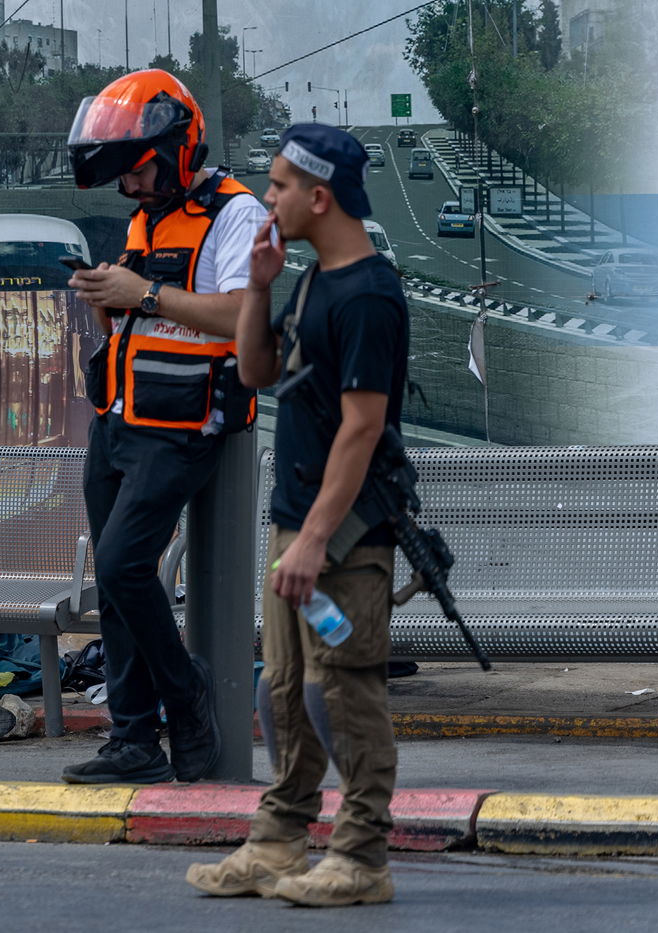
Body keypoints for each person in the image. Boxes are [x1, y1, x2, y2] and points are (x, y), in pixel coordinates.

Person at [185, 124, 409, 905]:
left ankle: (362, 857)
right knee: (281, 688)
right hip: (298, 525)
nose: (268, 197)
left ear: (320, 197)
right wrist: (258, 285)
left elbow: (363, 426)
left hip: (344, 538)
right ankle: (279, 839)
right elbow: (255, 372)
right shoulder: (312, 281)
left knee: (340, 689)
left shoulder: (371, 294)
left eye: (279, 185)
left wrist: (314, 538)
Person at [60, 69, 267, 785]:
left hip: (182, 426)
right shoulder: (146, 217)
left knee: (121, 564)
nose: (129, 186)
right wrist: (104, 298)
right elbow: (141, 320)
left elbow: (245, 317)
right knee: (118, 587)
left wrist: (142, 291)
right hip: (117, 419)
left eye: (138, 169)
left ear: (178, 149)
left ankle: (187, 694)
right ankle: (134, 738)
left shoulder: (234, 214)